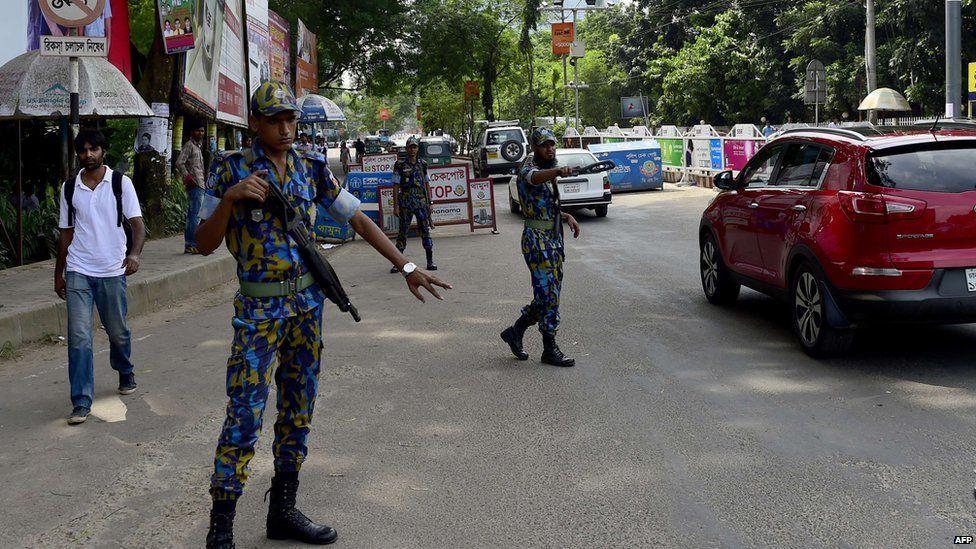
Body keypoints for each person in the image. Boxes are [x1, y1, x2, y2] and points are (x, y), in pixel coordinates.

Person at [194, 81, 451, 549]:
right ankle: (221, 525)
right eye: (274, 119)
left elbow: (357, 218)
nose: (285, 127)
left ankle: (283, 510)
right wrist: (231, 199)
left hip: (306, 308)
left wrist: (407, 265)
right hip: (258, 310)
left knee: (298, 409)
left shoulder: (311, 167)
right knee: (244, 413)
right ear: (255, 123)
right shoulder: (229, 169)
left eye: (290, 119)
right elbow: (203, 242)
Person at [55, 129, 146, 425]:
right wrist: (60, 274)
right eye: (83, 151)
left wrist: (133, 255)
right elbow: (65, 234)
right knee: (79, 337)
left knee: (117, 330)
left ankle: (125, 369)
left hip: (111, 269)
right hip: (79, 268)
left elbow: (137, 224)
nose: (88, 155)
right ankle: (81, 401)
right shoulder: (70, 188)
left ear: (103, 151)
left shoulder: (121, 183)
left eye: (93, 149)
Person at [500, 128, 580, 368]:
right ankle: (549, 348)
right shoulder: (528, 167)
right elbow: (532, 178)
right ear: (534, 147)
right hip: (537, 240)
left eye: (552, 144)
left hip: (553, 238)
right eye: (545, 145)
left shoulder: (547, 168)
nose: (550, 149)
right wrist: (556, 171)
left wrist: (566, 216)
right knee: (548, 294)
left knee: (549, 294)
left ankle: (516, 331)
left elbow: (545, 206)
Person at [390, 136, 437, 273]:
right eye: (410, 147)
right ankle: (397, 263)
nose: (412, 149)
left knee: (425, 231)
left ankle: (430, 261)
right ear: (407, 148)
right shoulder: (399, 165)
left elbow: (427, 184)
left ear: (418, 148)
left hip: (421, 202)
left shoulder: (423, 164)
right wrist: (395, 206)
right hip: (405, 201)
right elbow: (396, 186)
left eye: (415, 147)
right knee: (402, 233)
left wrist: (430, 203)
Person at [175, 121, 207, 254]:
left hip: (200, 184)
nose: (200, 133)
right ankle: (192, 244)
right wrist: (188, 178)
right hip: (195, 185)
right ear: (191, 132)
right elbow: (179, 162)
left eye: (202, 131)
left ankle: (191, 244)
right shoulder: (189, 145)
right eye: (198, 131)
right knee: (195, 216)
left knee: (193, 215)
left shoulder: (198, 147)